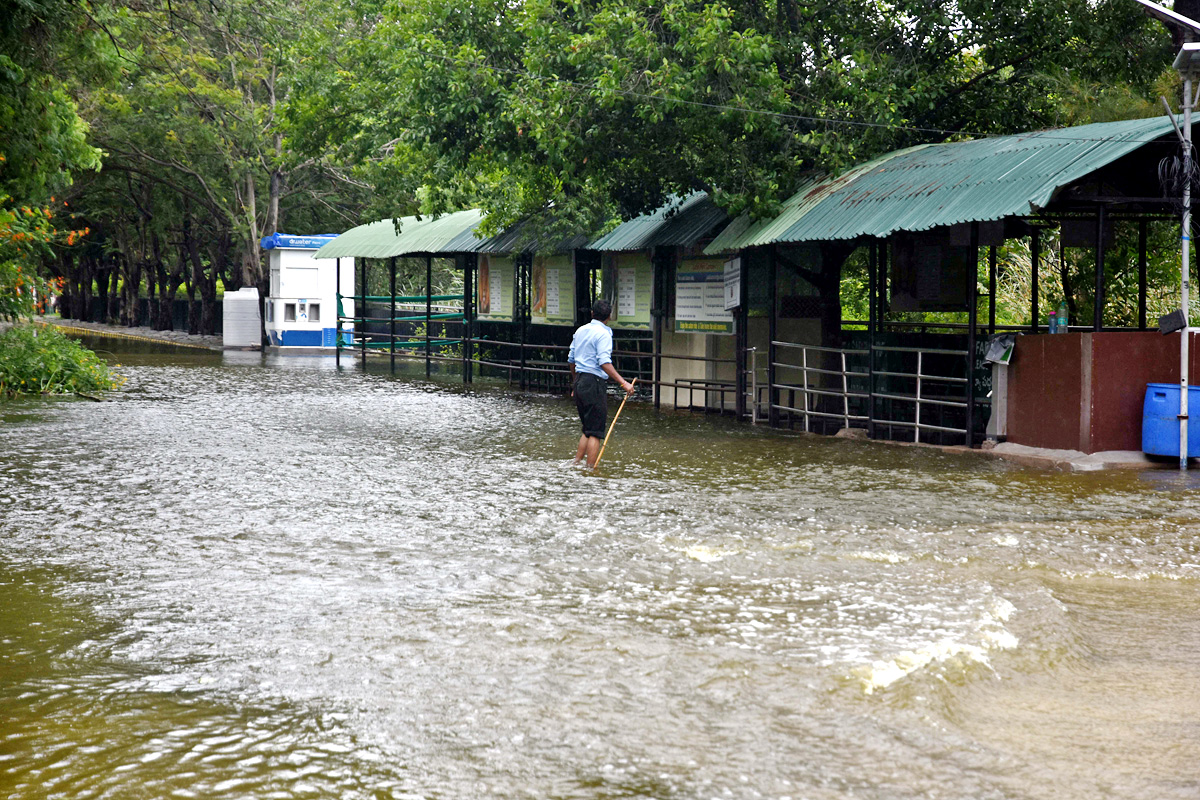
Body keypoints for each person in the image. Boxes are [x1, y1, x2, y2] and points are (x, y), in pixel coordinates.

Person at [568, 299, 635, 468]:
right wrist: (624, 383)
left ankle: (576, 464)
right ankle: (591, 469)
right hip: (594, 383)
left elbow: (571, 359)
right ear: (609, 316)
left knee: (587, 429)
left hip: (580, 381)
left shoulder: (581, 330)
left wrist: (575, 382)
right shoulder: (604, 333)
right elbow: (604, 362)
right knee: (596, 432)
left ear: (592, 313)